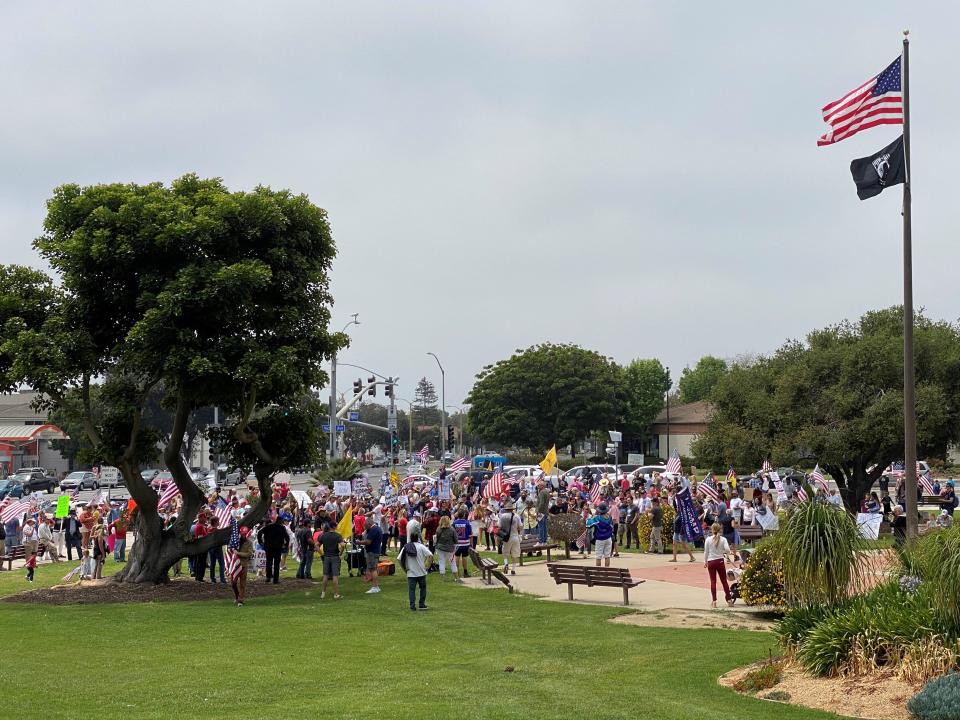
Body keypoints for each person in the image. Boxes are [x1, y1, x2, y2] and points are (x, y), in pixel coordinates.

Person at [400, 532, 433, 611]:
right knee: (423, 588)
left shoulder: (406, 547)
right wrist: (427, 566)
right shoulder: (421, 546)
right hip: (421, 571)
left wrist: (404, 569)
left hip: (411, 572)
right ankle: (421, 604)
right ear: (418, 538)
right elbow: (430, 555)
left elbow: (399, 559)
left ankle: (412, 606)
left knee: (412, 590)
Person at [704, 522, 733, 608]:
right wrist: (726, 555)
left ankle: (714, 601)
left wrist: (705, 561)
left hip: (711, 561)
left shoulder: (708, 539)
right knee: (724, 581)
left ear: (712, 530)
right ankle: (729, 600)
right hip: (720, 561)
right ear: (720, 529)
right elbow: (727, 549)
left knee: (713, 581)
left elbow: (706, 552)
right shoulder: (723, 539)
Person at [257, 515, 289, 585]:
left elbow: (259, 533)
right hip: (278, 548)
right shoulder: (282, 528)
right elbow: (287, 537)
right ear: (280, 521)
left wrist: (261, 542)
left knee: (269, 562)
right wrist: (285, 545)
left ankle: (268, 577)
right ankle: (275, 580)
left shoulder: (269, 526)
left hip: (268, 547)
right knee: (276, 564)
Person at [318, 522, 344, 599]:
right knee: (335, 576)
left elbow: (316, 545)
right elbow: (343, 545)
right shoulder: (337, 536)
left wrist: (321, 553)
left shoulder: (323, 535)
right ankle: (336, 594)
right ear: (335, 527)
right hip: (335, 557)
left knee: (325, 575)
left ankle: (323, 593)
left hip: (326, 557)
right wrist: (341, 553)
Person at [498, 499, 523, 575]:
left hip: (506, 538)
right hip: (515, 536)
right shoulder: (516, 516)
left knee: (505, 553)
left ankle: (506, 563)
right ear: (512, 509)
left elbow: (499, 527)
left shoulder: (502, 517)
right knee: (515, 554)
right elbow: (521, 527)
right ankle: (513, 569)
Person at [587, 503, 615, 567]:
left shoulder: (597, 518)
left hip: (600, 539)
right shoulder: (610, 518)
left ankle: (598, 573)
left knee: (598, 557)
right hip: (608, 538)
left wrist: (592, 516)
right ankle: (607, 572)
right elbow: (612, 527)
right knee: (607, 556)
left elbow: (588, 524)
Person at [232, 526, 254, 606]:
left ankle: (241, 599)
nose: (244, 535)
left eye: (245, 534)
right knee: (233, 583)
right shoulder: (235, 542)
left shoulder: (249, 543)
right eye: (242, 534)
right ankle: (237, 596)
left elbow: (249, 553)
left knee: (242, 583)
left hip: (243, 565)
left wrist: (238, 554)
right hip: (234, 565)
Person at [669, 498, 696, 563]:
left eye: (679, 506)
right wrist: (673, 500)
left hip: (681, 532)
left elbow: (684, 524)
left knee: (684, 545)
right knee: (674, 544)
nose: (678, 507)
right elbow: (675, 506)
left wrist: (681, 533)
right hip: (676, 531)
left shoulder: (683, 515)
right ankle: (674, 558)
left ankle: (692, 557)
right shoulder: (678, 513)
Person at [361, 516, 382, 594]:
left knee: (372, 569)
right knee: (374, 568)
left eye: (365, 525)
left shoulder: (373, 530)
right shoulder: (378, 528)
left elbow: (368, 542)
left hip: (372, 552)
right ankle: (376, 585)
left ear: (369, 524)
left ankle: (375, 587)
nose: (364, 527)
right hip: (376, 550)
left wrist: (359, 542)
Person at [434, 515, 458, 579]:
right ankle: (456, 577)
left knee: (441, 561)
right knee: (453, 562)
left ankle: (443, 576)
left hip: (440, 548)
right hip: (450, 548)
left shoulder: (438, 529)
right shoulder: (452, 529)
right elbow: (456, 540)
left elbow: (436, 539)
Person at [207, 517, 227, 583]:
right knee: (221, 564)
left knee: (212, 563)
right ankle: (222, 579)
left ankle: (212, 579)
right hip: (217, 548)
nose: (219, 522)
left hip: (211, 548)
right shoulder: (216, 531)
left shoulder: (209, 529)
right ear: (215, 522)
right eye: (218, 521)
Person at [535, 479, 551, 543]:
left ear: (542, 486)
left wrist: (538, 511)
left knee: (541, 526)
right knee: (544, 526)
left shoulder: (541, 492)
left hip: (541, 512)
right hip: (546, 511)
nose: (538, 487)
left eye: (538, 485)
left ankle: (541, 541)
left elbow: (541, 503)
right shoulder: (547, 492)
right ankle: (545, 540)